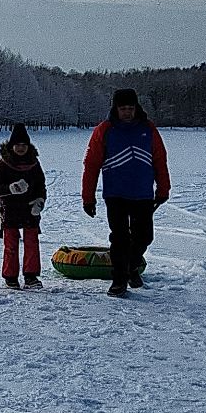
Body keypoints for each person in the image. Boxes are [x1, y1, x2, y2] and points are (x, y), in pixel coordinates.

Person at [81, 88, 171, 298]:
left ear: (136, 107)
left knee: (144, 236)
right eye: (123, 109)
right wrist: (88, 197)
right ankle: (119, 280)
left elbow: (160, 160)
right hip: (116, 194)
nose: (127, 112)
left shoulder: (148, 129)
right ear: (116, 108)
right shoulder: (104, 130)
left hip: (143, 194)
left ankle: (131, 266)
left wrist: (163, 188)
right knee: (120, 238)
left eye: (130, 108)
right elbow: (91, 165)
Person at [0, 124, 47, 289]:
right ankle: (10, 276)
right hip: (10, 210)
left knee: (32, 243)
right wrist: (10, 189)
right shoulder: (4, 165)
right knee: (11, 245)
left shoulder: (34, 164)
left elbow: (41, 186)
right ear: (11, 146)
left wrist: (40, 201)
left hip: (30, 209)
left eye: (24, 145)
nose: (21, 148)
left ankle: (31, 276)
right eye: (17, 145)